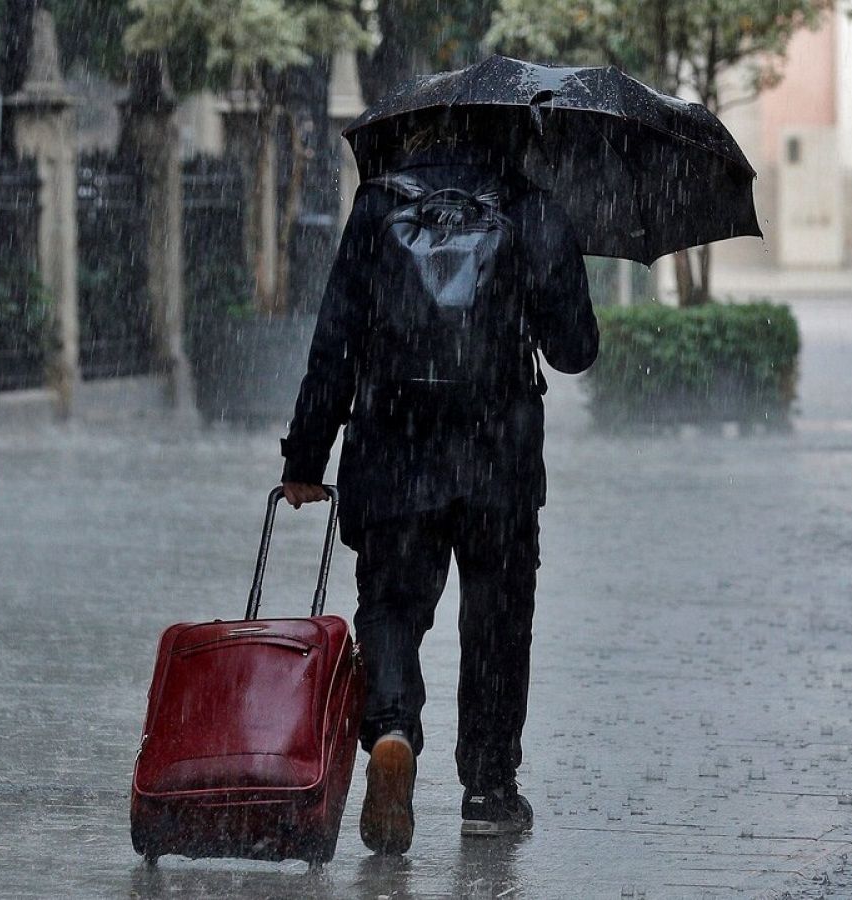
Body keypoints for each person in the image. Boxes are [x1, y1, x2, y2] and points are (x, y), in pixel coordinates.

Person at [279, 113, 598, 851]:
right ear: (514, 137)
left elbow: (335, 343)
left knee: (391, 606)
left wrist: (305, 459)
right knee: (495, 620)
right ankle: (488, 788)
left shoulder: (377, 206)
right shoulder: (531, 208)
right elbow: (575, 350)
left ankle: (393, 732)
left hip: (393, 444)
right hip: (499, 461)